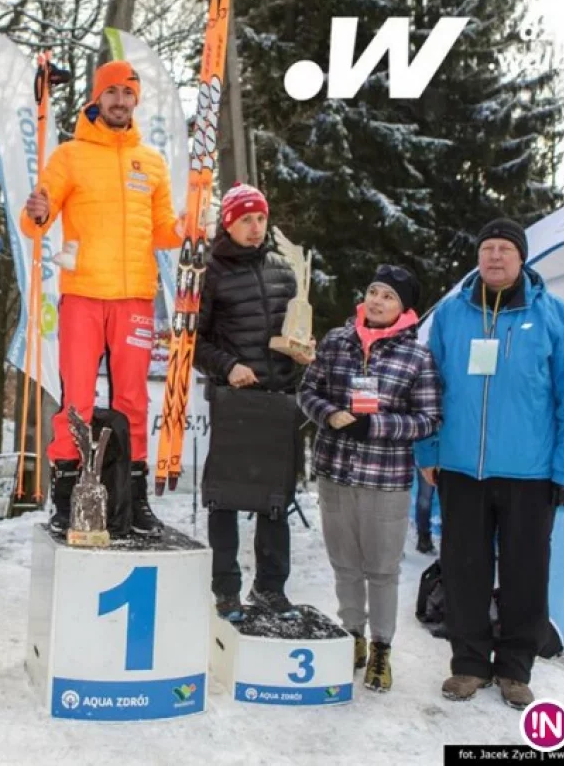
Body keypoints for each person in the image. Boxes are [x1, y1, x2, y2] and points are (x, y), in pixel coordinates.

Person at [416, 218, 564, 710]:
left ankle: (516, 667)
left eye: (504, 249)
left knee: (525, 572)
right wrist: (428, 450)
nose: (494, 257)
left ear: (522, 258)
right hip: (460, 469)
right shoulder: (452, 315)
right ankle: (469, 664)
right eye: (487, 248)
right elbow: (427, 388)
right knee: (464, 569)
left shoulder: (557, 317)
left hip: (530, 473)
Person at [23, 60, 182, 536]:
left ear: (136, 101)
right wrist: (38, 209)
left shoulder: (151, 162)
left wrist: (189, 227)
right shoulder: (70, 156)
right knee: (77, 401)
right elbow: (37, 221)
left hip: (134, 297)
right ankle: (67, 495)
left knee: (133, 401)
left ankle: (132, 501)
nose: (119, 101)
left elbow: (163, 231)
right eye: (110, 92)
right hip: (83, 296)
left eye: (127, 93)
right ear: (97, 98)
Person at [298, 265, 441, 693]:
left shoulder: (417, 357)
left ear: (403, 308)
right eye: (373, 292)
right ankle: (352, 636)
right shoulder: (337, 342)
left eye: (389, 297)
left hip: (385, 480)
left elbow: (428, 419)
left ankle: (381, 648)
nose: (377, 301)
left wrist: (374, 426)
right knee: (345, 565)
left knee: (381, 570)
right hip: (336, 472)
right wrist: (329, 415)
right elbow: (308, 390)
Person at [194, 185, 313, 620]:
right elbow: (194, 342)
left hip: (280, 399)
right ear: (228, 222)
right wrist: (227, 367)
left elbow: (296, 327)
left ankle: (271, 590)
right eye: (245, 218)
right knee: (225, 498)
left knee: (275, 500)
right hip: (234, 398)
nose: (255, 226)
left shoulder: (285, 269)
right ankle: (226, 590)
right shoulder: (210, 271)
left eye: (260, 218)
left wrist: (303, 349)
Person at [415, 465, 437, 554]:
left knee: (425, 497)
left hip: (449, 457)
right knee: (425, 497)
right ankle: (423, 537)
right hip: (427, 458)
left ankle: (449, 540)